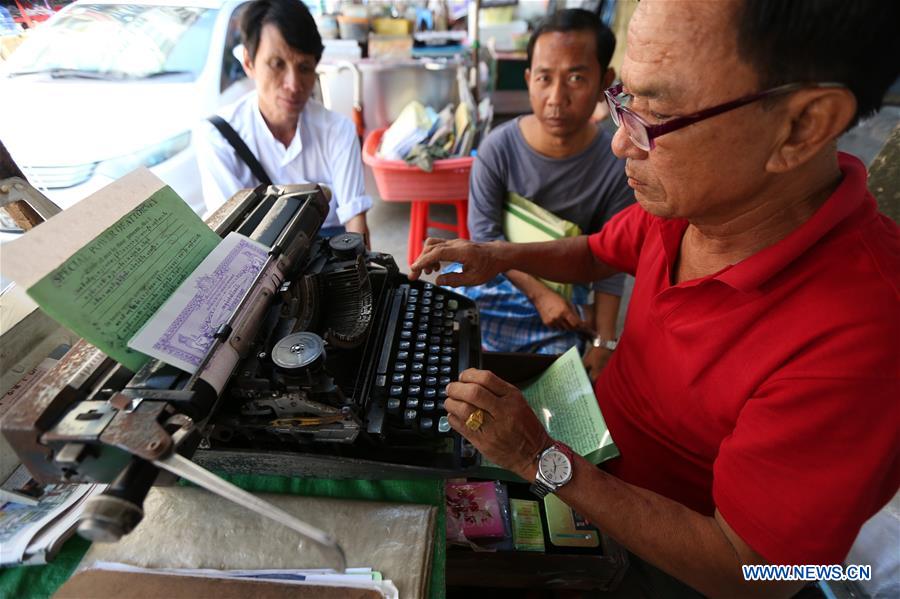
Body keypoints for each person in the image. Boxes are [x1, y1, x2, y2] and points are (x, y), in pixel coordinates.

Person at [411, 0, 900, 595]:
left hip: (658, 562)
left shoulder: (862, 337)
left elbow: (751, 573)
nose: (621, 144)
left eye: (657, 115)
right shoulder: (695, 201)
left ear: (801, 126)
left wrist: (537, 456)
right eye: (625, 100)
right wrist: (498, 255)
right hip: (590, 450)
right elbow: (598, 253)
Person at [460, 9, 632, 378]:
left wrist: (605, 342)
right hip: (500, 280)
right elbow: (485, 239)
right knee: (450, 314)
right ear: (528, 79)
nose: (556, 98)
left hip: (565, 295)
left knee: (558, 368)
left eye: (576, 78)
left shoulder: (616, 166)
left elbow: (611, 262)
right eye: (544, 78)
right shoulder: (497, 149)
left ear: (605, 82)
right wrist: (540, 295)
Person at [196, 0, 371, 240]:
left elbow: (356, 221)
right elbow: (230, 238)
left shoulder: (338, 131)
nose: (293, 85)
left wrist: (360, 260)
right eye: (277, 64)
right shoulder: (219, 139)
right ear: (248, 62)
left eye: (304, 67)